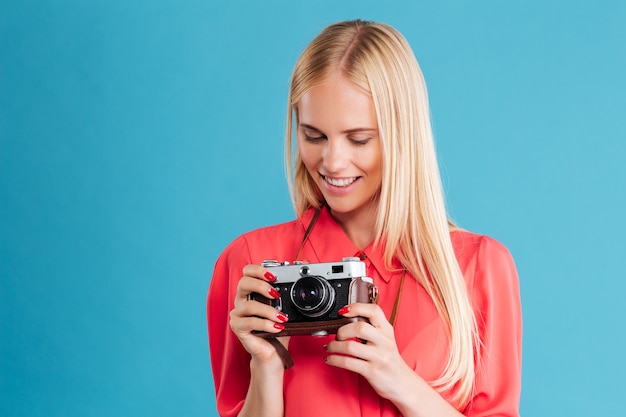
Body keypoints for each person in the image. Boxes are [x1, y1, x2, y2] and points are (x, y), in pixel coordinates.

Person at [207, 19, 522, 417]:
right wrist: (266, 366)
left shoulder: (479, 267)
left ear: (401, 135)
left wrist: (400, 381)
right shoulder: (251, 262)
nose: (333, 162)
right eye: (314, 135)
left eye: (359, 138)